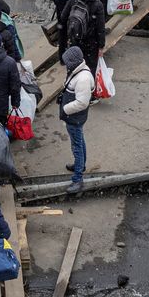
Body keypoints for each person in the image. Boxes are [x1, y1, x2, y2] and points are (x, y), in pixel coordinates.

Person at [58, 45, 94, 195]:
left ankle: (78, 179)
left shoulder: (83, 78)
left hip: (74, 117)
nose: (66, 65)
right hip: (74, 118)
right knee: (79, 140)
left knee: (77, 146)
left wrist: (65, 109)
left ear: (73, 61)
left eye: (67, 62)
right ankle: (81, 165)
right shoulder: (77, 71)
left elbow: (82, 103)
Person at [62, 0, 107, 73]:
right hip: (91, 43)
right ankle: (89, 86)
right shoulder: (98, 5)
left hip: (74, 40)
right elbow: (100, 28)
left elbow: (63, 17)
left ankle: (72, 85)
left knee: (73, 68)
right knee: (90, 69)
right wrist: (101, 46)